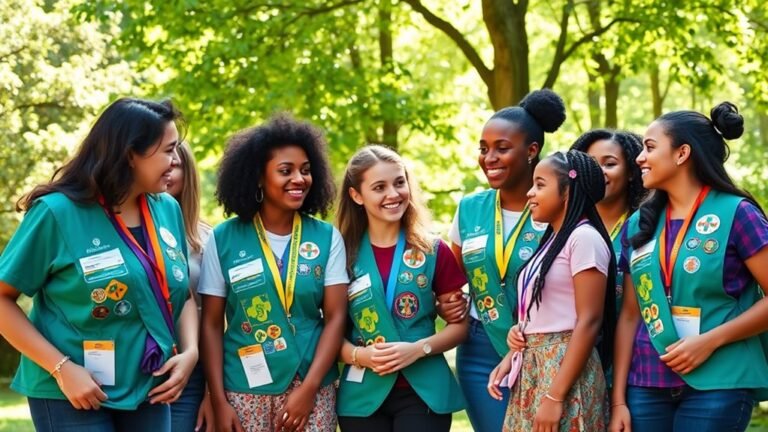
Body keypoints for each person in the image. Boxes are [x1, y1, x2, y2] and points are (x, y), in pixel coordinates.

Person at [0, 98, 199, 431]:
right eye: (168, 150)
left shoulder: (167, 209)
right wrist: (62, 368)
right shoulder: (56, 212)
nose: (176, 161)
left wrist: (190, 352)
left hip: (148, 386)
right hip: (72, 393)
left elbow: (183, 294)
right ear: (129, 154)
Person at [610, 102, 768, 432]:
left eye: (650, 147)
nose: (639, 157)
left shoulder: (738, 214)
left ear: (682, 154)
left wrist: (709, 340)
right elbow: (630, 315)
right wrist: (619, 400)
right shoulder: (640, 224)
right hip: (646, 385)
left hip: (719, 380)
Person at [199, 114, 348, 432]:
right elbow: (211, 323)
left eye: (306, 170)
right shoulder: (223, 238)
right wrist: (217, 399)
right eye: (286, 171)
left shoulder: (327, 237)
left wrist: (309, 389)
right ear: (257, 177)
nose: (299, 179)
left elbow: (336, 316)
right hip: (242, 387)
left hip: (311, 386)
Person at [447, 88, 566, 432]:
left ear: (532, 151)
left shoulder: (558, 208)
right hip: (481, 348)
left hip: (543, 349)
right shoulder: (470, 209)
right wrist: (450, 304)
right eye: (484, 149)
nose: (489, 158)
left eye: (502, 148)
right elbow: (450, 281)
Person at [334, 145, 467, 431]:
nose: (393, 194)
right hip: (362, 395)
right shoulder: (339, 255)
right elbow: (329, 329)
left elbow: (461, 326)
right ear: (357, 195)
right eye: (379, 187)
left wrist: (420, 348)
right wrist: (359, 356)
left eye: (399, 182)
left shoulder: (433, 250)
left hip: (424, 392)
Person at [489, 150, 616, 431]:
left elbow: (589, 320)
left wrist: (555, 396)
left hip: (564, 369)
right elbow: (544, 312)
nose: (530, 193)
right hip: (534, 368)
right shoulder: (551, 241)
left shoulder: (584, 238)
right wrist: (512, 352)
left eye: (540, 184)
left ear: (567, 191)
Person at [571, 130, 647, 313]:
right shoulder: (566, 225)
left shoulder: (645, 226)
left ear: (630, 172)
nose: (598, 171)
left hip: (632, 335)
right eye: (591, 164)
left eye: (610, 164)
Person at [167, 142, 214, 432]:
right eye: (163, 160)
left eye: (176, 164)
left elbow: (215, 320)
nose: (167, 169)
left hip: (191, 372)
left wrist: (210, 391)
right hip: (136, 365)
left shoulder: (207, 238)